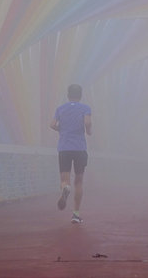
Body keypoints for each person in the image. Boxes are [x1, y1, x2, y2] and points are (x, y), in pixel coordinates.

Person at [50, 84, 92, 224]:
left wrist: (61, 129)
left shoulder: (60, 109)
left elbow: (52, 124)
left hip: (64, 148)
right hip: (79, 148)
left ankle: (65, 188)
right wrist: (88, 131)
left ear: (68, 95)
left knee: (64, 179)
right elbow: (87, 122)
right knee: (79, 181)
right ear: (80, 95)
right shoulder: (85, 108)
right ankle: (75, 214)